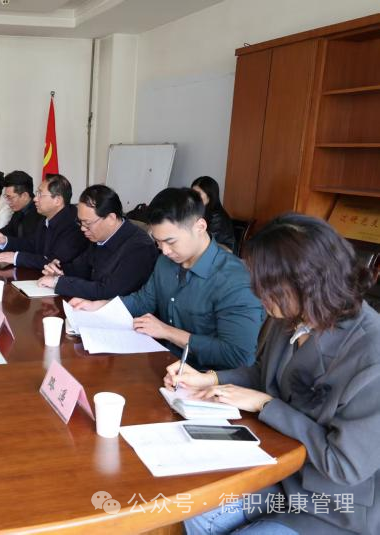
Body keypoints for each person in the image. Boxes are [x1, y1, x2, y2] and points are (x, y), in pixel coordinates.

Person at [166, 214, 380, 535]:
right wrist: (211, 379)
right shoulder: (294, 313)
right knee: (194, 510)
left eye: (267, 287)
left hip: (332, 506)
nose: (258, 295)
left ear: (308, 282)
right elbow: (267, 374)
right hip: (281, 476)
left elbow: (344, 464)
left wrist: (266, 405)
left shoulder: (371, 353)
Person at [71, 188, 263, 370]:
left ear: (200, 226)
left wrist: (167, 332)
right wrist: (100, 306)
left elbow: (237, 354)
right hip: (161, 362)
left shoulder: (236, 280)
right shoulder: (165, 262)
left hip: (205, 378)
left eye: (170, 242)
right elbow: (143, 301)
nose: (164, 250)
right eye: (158, 242)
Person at [37, 185, 158, 300]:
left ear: (111, 218)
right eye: (80, 222)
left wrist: (58, 282)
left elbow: (108, 291)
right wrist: (59, 270)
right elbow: (81, 268)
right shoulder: (100, 235)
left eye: (87, 223)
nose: (82, 228)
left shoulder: (140, 248)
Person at [0, 174, 87, 271]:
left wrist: (16, 257)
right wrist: (5, 241)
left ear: (57, 200)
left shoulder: (73, 225)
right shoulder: (45, 219)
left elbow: (54, 262)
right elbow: (31, 245)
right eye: (37, 193)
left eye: (40, 194)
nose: (35, 199)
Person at [0, 170, 43, 240]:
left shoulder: (40, 214)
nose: (8, 202)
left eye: (10, 197)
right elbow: (8, 231)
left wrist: (3, 241)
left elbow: (28, 243)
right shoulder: (18, 211)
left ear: (25, 196)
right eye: (6, 197)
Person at [191, 175, 235, 251]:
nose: (193, 197)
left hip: (222, 253)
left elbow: (205, 241)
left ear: (209, 196)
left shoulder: (217, 217)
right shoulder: (199, 211)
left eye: (198, 194)